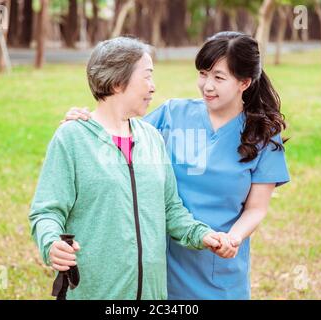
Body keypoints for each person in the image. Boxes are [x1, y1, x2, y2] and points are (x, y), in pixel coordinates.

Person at [62, 31, 290, 299]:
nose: (207, 85)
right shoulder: (172, 114)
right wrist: (86, 121)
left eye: (218, 77)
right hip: (159, 264)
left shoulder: (263, 134)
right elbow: (116, 133)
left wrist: (233, 239)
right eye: (203, 74)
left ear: (245, 82)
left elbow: (256, 208)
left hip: (218, 264)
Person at [28, 36, 237, 300]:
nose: (153, 87)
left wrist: (202, 235)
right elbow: (46, 211)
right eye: (147, 77)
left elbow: (171, 209)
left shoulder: (151, 138)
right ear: (117, 82)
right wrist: (51, 243)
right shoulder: (71, 139)